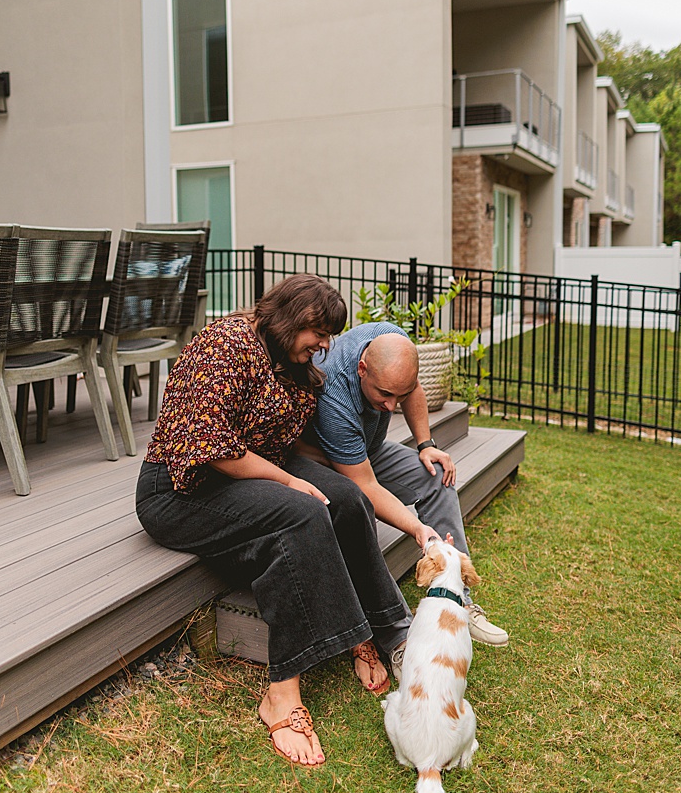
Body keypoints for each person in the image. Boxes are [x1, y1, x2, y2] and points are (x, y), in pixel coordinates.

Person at [135, 274, 435, 767]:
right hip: (184, 486)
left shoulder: (292, 361)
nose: (324, 345)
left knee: (347, 499)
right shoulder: (223, 344)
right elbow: (214, 451)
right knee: (300, 512)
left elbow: (291, 440)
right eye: (318, 333)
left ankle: (376, 628)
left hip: (256, 465)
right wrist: (292, 482)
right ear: (292, 317)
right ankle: (282, 690)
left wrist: (313, 472)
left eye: (328, 337)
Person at [298, 322, 509, 646]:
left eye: (399, 395)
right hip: (332, 462)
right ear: (362, 369)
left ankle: (459, 602)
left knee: (437, 476)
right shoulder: (334, 394)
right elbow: (365, 484)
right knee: (358, 502)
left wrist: (426, 445)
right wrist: (416, 528)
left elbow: (413, 390)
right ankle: (394, 632)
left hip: (369, 448)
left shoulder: (393, 339)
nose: (391, 407)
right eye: (384, 394)